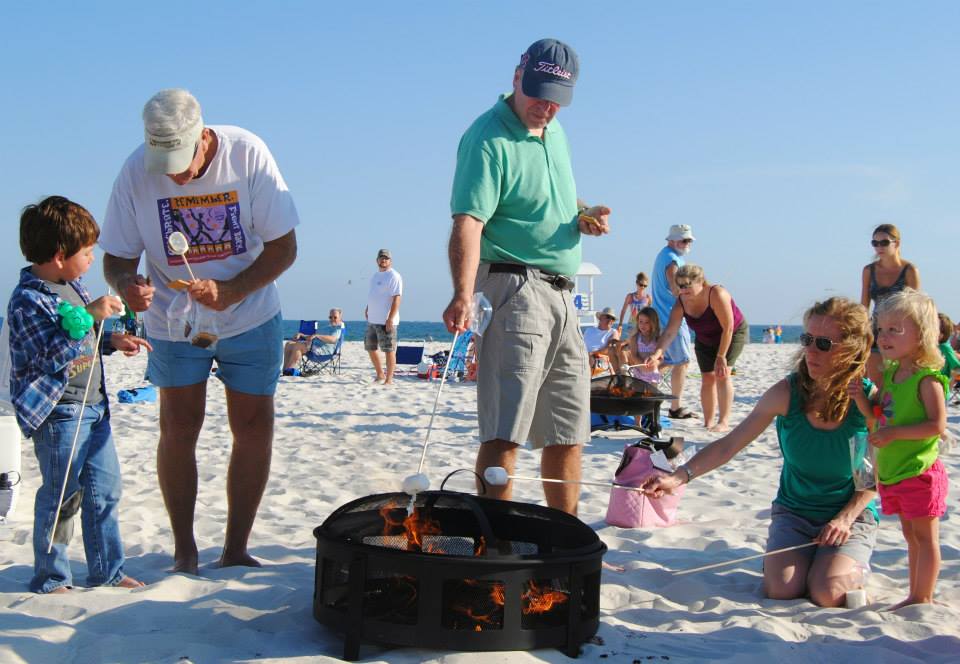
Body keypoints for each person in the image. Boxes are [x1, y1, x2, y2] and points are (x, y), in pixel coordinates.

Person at [100, 88, 299, 574]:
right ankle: (184, 551)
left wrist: (233, 290)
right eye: (163, 162)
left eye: (181, 162)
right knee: (179, 427)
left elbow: (284, 248)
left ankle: (235, 548)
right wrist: (128, 285)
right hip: (173, 321)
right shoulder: (134, 171)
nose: (173, 175)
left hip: (249, 315)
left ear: (204, 137)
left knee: (253, 430)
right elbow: (117, 257)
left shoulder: (246, 152)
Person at [442, 38, 611, 516]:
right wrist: (461, 295)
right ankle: (494, 537)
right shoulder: (487, 138)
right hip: (513, 289)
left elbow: (543, 202)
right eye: (538, 94)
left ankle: (567, 539)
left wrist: (582, 216)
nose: (547, 108)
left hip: (562, 295)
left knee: (568, 428)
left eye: (557, 99)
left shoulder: (555, 132)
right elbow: (467, 223)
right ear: (517, 77)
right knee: (506, 428)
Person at [643, 297, 878, 608]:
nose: (809, 350)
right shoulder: (787, 393)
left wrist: (845, 518)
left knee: (827, 592)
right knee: (782, 590)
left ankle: (850, 565)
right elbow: (730, 444)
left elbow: (874, 476)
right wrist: (679, 477)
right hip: (795, 512)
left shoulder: (867, 402)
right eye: (807, 339)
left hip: (849, 513)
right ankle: (804, 559)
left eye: (823, 343)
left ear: (852, 350)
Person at [7, 196, 151, 593]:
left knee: (105, 491)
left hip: (94, 406)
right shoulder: (28, 300)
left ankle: (108, 570)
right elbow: (46, 357)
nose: (91, 259)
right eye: (86, 252)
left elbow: (85, 341)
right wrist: (90, 316)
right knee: (62, 497)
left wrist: (112, 339)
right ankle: (52, 576)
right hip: (59, 413)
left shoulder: (72, 286)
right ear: (58, 255)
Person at [848, 289, 948, 608]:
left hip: (919, 471)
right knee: (909, 536)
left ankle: (922, 596)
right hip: (895, 471)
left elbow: (936, 425)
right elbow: (878, 416)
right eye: (881, 329)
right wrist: (862, 400)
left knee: (925, 537)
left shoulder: (926, 380)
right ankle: (915, 592)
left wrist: (896, 434)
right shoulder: (891, 373)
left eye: (895, 329)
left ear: (922, 334)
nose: (884, 336)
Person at [645, 264, 748, 432]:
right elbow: (670, 331)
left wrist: (721, 356)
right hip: (705, 338)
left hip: (731, 334)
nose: (683, 290)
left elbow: (728, 327)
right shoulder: (681, 302)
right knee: (708, 378)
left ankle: (723, 421)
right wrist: (657, 354)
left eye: (687, 286)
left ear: (701, 282)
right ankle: (708, 422)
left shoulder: (717, 294)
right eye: (680, 286)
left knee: (722, 374)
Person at [859, 223, 920, 383]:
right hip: (876, 329)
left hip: (901, 331)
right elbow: (864, 306)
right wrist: (861, 332)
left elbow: (916, 307)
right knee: (876, 382)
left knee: (900, 380)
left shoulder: (909, 270)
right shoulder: (869, 270)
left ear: (897, 243)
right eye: (875, 243)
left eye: (884, 242)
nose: (879, 247)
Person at [650, 224, 695, 419]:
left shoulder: (667, 255)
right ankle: (675, 407)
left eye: (689, 240)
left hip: (663, 313)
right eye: (684, 240)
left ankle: (647, 393)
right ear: (673, 240)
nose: (688, 244)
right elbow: (676, 287)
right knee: (682, 361)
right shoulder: (671, 260)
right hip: (671, 314)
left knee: (667, 360)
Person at [365, 249, 403, 385]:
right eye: (381, 258)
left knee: (388, 350)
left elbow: (397, 299)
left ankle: (389, 379)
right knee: (370, 348)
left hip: (386, 320)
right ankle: (380, 374)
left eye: (386, 258)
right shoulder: (375, 276)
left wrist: (390, 319)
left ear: (390, 261)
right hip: (372, 319)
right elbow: (374, 294)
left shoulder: (394, 276)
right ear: (377, 260)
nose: (384, 260)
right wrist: (368, 308)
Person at [281, 308, 345, 376]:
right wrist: (301, 334)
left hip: (323, 352)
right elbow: (312, 336)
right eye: (330, 317)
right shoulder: (327, 327)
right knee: (289, 344)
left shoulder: (338, 328)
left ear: (340, 317)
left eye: (335, 317)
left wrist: (317, 336)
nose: (332, 319)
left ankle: (291, 369)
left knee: (298, 346)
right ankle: (285, 370)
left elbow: (333, 340)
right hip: (313, 347)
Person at [583, 307, 621, 375]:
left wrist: (592, 353)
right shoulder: (589, 330)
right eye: (608, 317)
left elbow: (610, 349)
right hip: (584, 357)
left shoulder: (613, 332)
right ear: (600, 318)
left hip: (598, 360)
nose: (610, 320)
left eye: (613, 319)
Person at [936, 313, 960, 384]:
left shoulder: (945, 348)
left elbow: (957, 368)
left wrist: (950, 384)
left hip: (941, 387)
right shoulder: (927, 346)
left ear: (942, 334)